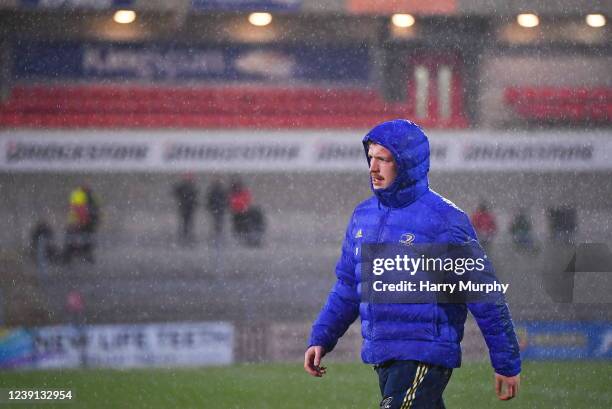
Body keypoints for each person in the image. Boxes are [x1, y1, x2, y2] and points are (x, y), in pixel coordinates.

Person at [304, 120, 521, 408]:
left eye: (384, 159)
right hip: (384, 355)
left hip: (425, 353)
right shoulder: (363, 217)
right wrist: (321, 337)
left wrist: (506, 362)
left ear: (407, 162)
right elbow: (349, 287)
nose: (373, 168)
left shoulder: (444, 220)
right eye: (370, 158)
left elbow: (483, 293)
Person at [173, 173, 199, 243]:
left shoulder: (189, 187)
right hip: (186, 207)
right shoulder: (188, 187)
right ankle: (186, 233)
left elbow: (194, 197)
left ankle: (186, 233)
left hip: (186, 207)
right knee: (186, 221)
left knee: (187, 221)